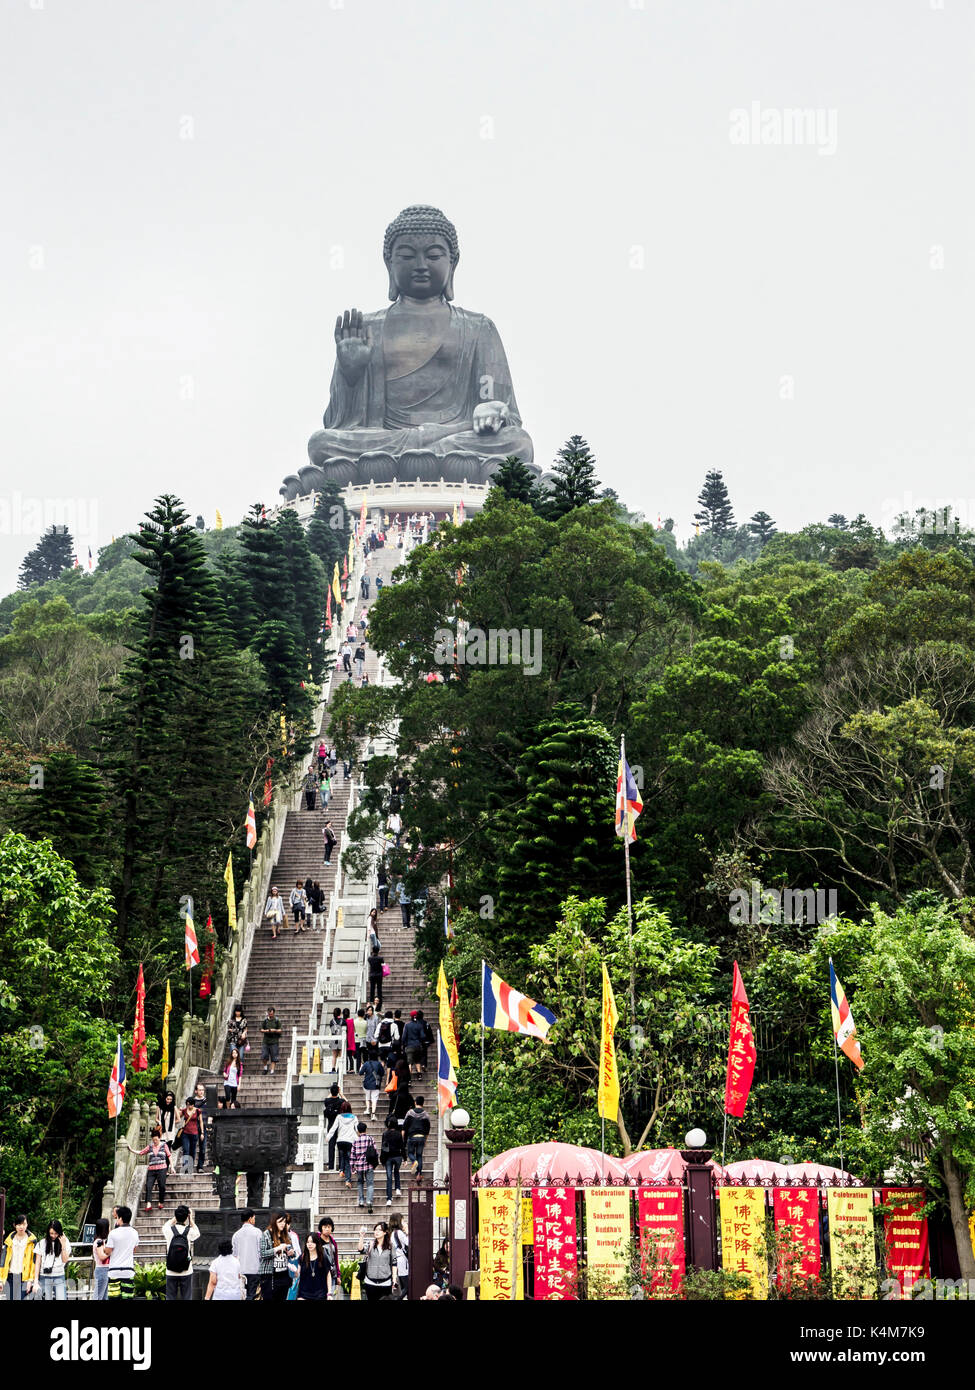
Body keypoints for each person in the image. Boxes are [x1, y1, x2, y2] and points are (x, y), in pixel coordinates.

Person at [124, 1126, 170, 1211]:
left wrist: (172, 1168)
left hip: (162, 1169)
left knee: (162, 1186)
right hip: (151, 1170)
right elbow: (141, 1152)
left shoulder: (164, 1145)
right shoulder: (150, 1147)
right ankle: (148, 1204)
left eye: (156, 1140)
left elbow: (169, 1156)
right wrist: (131, 1150)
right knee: (149, 1186)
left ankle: (161, 1202)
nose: (155, 1141)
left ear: (159, 1138)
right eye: (153, 1140)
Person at [163, 1205, 199, 1301]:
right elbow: (197, 1232)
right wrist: (190, 1219)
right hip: (186, 1270)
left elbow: (167, 1224)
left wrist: (175, 1216)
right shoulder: (189, 1231)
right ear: (186, 1217)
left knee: (170, 1297)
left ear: (175, 1216)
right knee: (187, 1297)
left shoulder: (168, 1230)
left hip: (171, 1270)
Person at [356, 1222, 398, 1301]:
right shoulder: (370, 1244)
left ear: (385, 1232)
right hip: (370, 1282)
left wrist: (394, 1279)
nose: (377, 1232)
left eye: (380, 1230)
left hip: (386, 1282)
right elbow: (360, 1249)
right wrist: (361, 1236)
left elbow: (394, 1263)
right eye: (375, 1230)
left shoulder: (390, 1246)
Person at [105, 1207, 139, 1301]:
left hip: (114, 1271)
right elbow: (134, 1249)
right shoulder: (135, 1233)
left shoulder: (113, 1233)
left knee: (113, 1298)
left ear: (120, 1218)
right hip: (128, 1271)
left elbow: (108, 1251)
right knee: (127, 1298)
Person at [259, 1212, 293, 1303]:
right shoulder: (266, 1234)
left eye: (284, 1221)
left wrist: (291, 1253)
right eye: (280, 1221)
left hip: (284, 1275)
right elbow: (262, 1254)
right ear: (274, 1222)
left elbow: (292, 1254)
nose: (283, 1224)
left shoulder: (286, 1235)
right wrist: (277, 1248)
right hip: (270, 1277)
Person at [1, 1214, 36, 1300]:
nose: (21, 1227)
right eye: (19, 1224)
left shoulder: (32, 1241)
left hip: (24, 1277)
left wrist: (30, 1280)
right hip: (10, 1276)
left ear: (27, 1225)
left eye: (24, 1224)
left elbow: (33, 1262)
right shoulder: (9, 1240)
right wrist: (1, 1280)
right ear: (15, 1225)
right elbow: (3, 1261)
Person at [326, 1100, 359, 1186]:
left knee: (342, 1156)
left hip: (340, 1141)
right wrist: (358, 1138)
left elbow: (333, 1128)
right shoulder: (354, 1117)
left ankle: (341, 1170)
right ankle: (348, 1180)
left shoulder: (339, 1117)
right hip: (349, 1141)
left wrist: (328, 1137)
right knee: (348, 1160)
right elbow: (357, 1129)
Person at [232, 1209, 263, 1301]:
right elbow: (261, 1252)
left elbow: (234, 1254)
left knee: (243, 1295)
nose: (254, 1220)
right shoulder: (258, 1232)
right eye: (254, 1218)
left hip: (241, 1271)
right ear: (250, 1218)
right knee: (252, 1295)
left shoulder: (236, 1235)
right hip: (255, 1269)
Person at [36, 1220, 71, 1300]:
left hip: (59, 1275)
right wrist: (35, 1281)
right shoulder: (42, 1243)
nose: (53, 1236)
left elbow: (65, 1260)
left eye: (56, 1233)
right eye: (51, 1233)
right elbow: (37, 1263)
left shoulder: (65, 1242)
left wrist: (63, 1245)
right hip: (44, 1276)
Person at [296, 1232, 331, 1301]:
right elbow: (297, 1274)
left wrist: (329, 1293)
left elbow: (328, 1275)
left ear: (316, 1243)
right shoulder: (302, 1257)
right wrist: (294, 1270)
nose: (309, 1244)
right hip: (303, 1294)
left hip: (320, 1294)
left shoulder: (323, 1257)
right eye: (308, 1242)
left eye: (312, 1242)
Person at [380, 1116, 404, 1206]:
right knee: (396, 1171)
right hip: (398, 1156)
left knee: (389, 1177)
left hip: (388, 1157)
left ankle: (389, 1199)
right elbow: (402, 1147)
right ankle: (398, 1188)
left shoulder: (385, 1134)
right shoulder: (398, 1134)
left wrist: (382, 1159)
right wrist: (405, 1158)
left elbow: (383, 1147)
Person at [404, 1097, 431, 1176]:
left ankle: (414, 1161)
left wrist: (403, 1137)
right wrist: (425, 1140)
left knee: (410, 1153)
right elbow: (427, 1129)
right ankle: (419, 1173)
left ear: (415, 1102)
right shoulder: (426, 1114)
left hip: (412, 1136)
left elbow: (405, 1126)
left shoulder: (410, 1113)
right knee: (419, 1155)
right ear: (423, 1103)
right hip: (422, 1137)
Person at [322, 1081, 345, 1171]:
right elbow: (347, 1102)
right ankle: (341, 1166)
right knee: (340, 1147)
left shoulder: (328, 1101)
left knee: (331, 1147)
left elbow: (326, 1100)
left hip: (331, 1125)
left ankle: (331, 1166)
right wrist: (341, 1093)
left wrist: (331, 1092)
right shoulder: (341, 1101)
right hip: (340, 1126)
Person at [178, 1098, 201, 1174]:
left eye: (189, 1105)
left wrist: (202, 1132)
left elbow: (200, 1122)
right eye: (187, 1104)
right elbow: (178, 1117)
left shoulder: (197, 1111)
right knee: (186, 1150)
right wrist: (177, 1110)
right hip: (185, 1133)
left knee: (192, 1151)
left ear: (193, 1104)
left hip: (194, 1133)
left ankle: (190, 1167)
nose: (188, 1106)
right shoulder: (184, 1110)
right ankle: (185, 1167)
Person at [317, 1218, 339, 1294]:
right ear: (321, 1228)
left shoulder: (333, 1241)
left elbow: (335, 1259)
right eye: (325, 1227)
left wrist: (338, 1276)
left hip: (332, 1274)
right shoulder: (317, 1240)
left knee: (330, 1295)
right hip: (319, 1274)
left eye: (329, 1227)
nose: (327, 1229)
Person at [361, 1047, 383, 1119]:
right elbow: (382, 1073)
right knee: (374, 1099)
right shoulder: (378, 1064)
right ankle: (373, 1114)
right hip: (376, 1084)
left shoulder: (366, 1063)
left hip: (367, 1083)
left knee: (367, 1097)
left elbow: (360, 1073)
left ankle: (367, 1109)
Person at [156, 1090, 179, 1162]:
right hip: (162, 1132)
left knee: (168, 1151)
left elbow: (178, 1119)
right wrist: (160, 1122)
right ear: (165, 1098)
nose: (169, 1101)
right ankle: (162, 1166)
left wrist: (172, 1124)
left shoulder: (174, 1107)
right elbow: (156, 1118)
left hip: (170, 1132)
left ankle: (166, 1168)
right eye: (167, 1099)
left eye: (170, 1099)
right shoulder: (160, 1107)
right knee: (161, 1150)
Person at [402, 1011, 426, 1077]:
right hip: (418, 1045)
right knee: (418, 1060)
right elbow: (423, 1036)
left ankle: (409, 1078)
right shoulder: (419, 1025)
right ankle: (419, 1074)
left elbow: (404, 1036)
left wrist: (404, 1044)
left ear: (411, 1016)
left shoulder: (407, 1025)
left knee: (409, 1062)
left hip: (409, 1045)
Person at [91, 1217, 110, 1300]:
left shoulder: (102, 1241)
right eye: (108, 1226)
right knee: (98, 1296)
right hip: (102, 1270)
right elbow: (102, 1257)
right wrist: (110, 1252)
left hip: (105, 1270)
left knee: (104, 1296)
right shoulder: (99, 1242)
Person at [389, 1213, 409, 1286]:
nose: (404, 1223)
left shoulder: (393, 1232)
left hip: (397, 1260)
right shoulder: (399, 1232)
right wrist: (407, 1232)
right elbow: (408, 1243)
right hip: (401, 1261)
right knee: (406, 1286)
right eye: (403, 1221)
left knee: (403, 1285)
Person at [261, 1006, 282, 1074]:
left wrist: (274, 1030)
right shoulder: (265, 1020)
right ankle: (265, 1068)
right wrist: (267, 1031)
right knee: (264, 1056)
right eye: (269, 1014)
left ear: (274, 1013)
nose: (270, 1015)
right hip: (266, 1041)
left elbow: (280, 1030)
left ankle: (272, 1071)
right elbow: (261, 1029)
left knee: (274, 1057)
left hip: (274, 1041)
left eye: (272, 1014)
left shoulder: (277, 1020)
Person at [193, 1082, 209, 1170]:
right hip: (194, 1126)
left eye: (202, 1090)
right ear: (196, 1091)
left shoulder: (207, 1101)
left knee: (203, 1148)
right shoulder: (192, 1101)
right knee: (192, 1148)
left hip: (204, 1126)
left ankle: (200, 1166)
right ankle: (189, 1167)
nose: (201, 1092)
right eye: (199, 1090)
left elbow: (210, 1113)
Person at [326, 1007, 344, 1072]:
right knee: (340, 1055)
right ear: (340, 1013)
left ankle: (333, 1068)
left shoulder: (331, 1021)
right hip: (341, 1039)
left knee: (334, 1055)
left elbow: (331, 1030)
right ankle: (340, 1068)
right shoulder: (343, 1021)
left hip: (334, 1039)